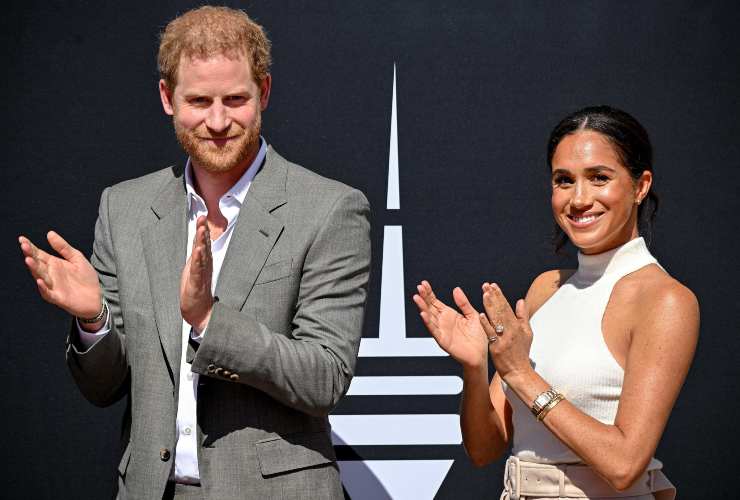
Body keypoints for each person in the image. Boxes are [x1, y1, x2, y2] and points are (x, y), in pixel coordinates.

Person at [18, 6, 370, 499]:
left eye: (236, 99)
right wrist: (94, 320)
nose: (218, 121)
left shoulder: (329, 209)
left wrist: (209, 321)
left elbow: (325, 377)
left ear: (264, 92)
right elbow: (103, 387)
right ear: (168, 97)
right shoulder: (124, 209)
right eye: (200, 100)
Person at [413, 106, 698, 499]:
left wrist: (521, 375)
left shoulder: (665, 300)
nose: (579, 199)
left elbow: (624, 465)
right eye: (564, 180)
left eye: (599, 178)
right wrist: (476, 368)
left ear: (640, 186)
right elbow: (484, 449)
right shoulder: (545, 289)